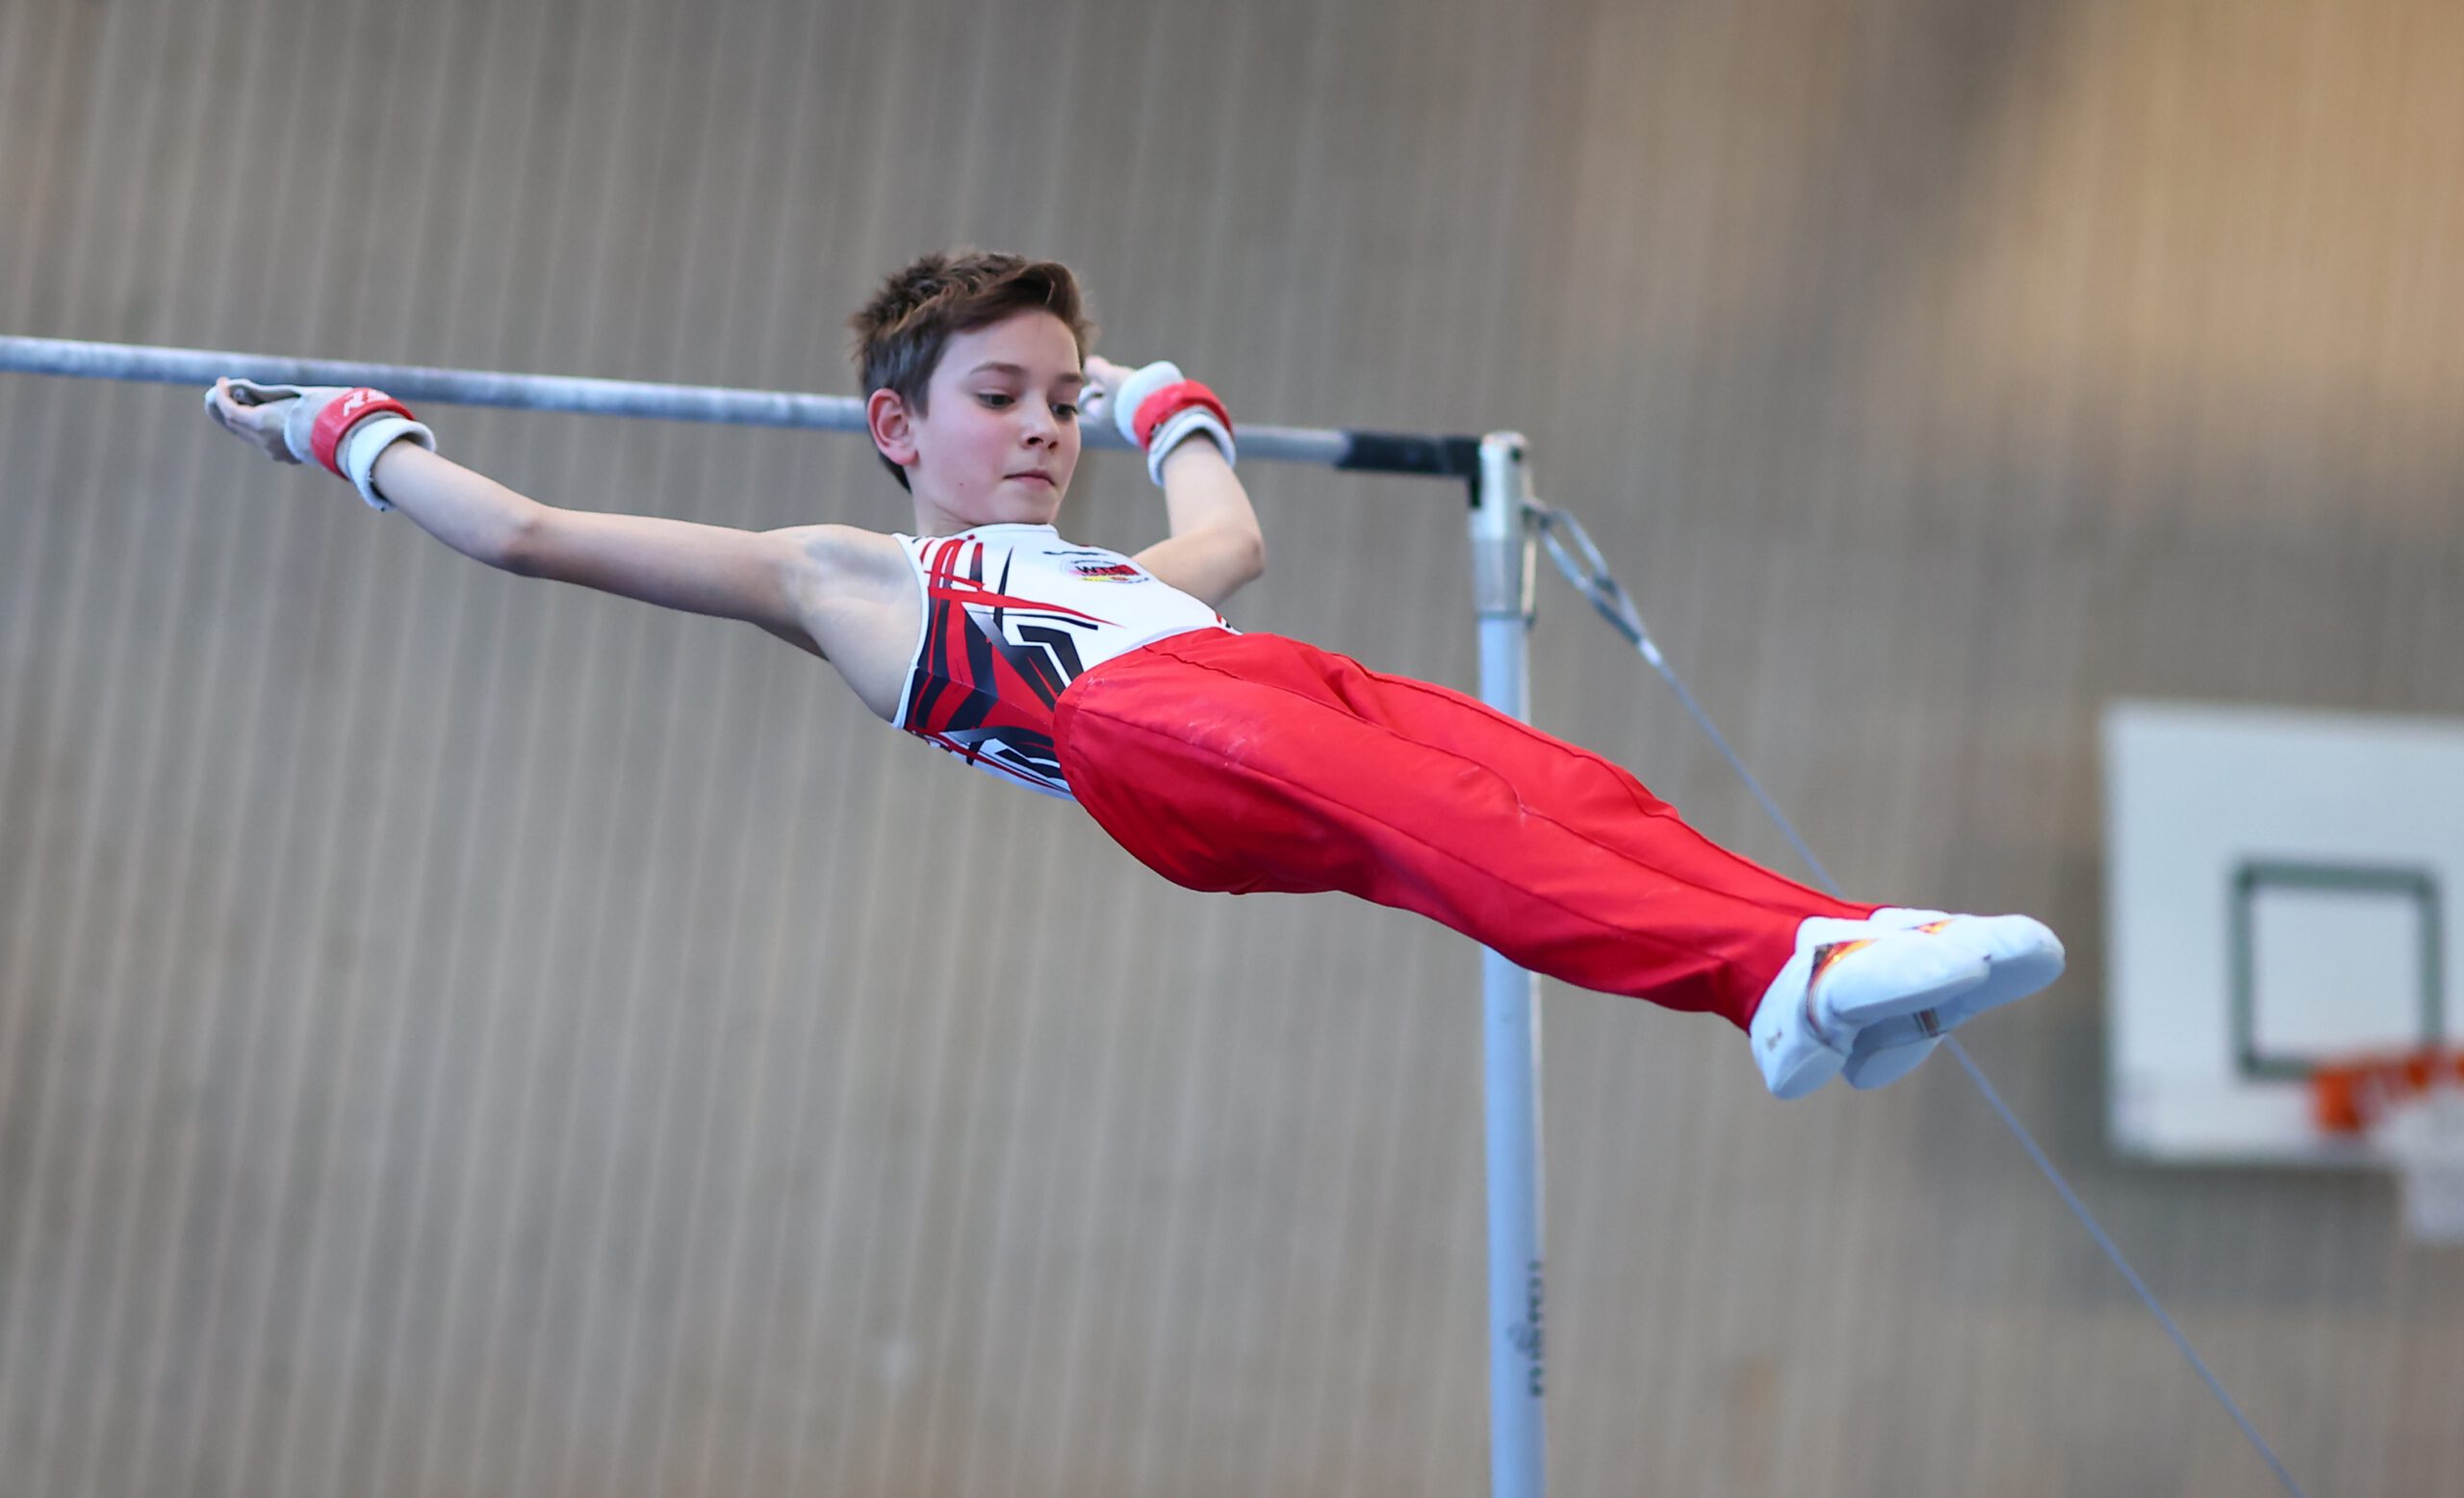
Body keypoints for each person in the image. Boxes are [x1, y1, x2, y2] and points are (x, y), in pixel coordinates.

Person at [202, 249, 2061, 1098]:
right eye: (997, 399)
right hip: (1138, 735)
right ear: (896, 428)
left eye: (1059, 403)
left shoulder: (1108, 566)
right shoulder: (844, 576)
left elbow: (1230, 545)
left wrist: (1171, 411)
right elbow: (528, 533)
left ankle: (1821, 962)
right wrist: (350, 436)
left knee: (1559, 788)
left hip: (1244, 680)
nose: (1039, 430)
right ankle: (1771, 973)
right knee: (1462, 828)